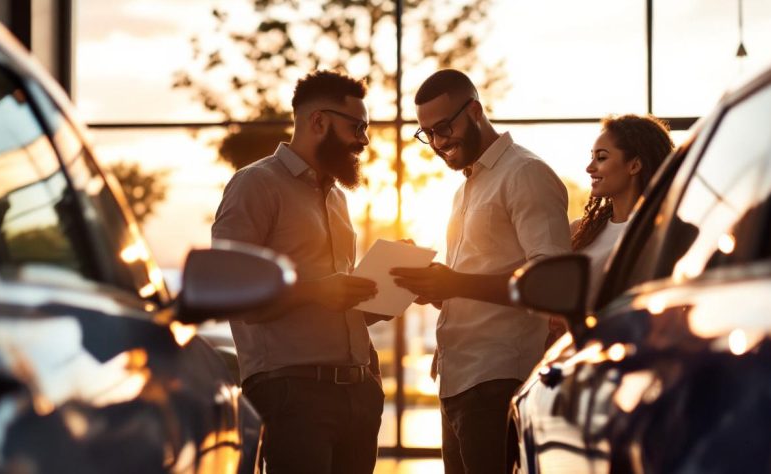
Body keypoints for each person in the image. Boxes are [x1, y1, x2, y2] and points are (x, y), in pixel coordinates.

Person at [390, 69, 571, 474]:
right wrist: (435, 287)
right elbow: (473, 282)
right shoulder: (465, 188)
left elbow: (552, 281)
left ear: (474, 110)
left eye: (443, 128)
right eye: (427, 134)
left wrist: (454, 282)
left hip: (498, 379)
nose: (437, 143)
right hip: (456, 378)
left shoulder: (525, 173)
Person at [211, 70, 385, 474]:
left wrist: (379, 295)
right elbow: (226, 288)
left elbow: (334, 299)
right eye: (356, 127)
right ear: (318, 121)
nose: (363, 139)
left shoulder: (338, 198)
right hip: (291, 393)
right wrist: (316, 292)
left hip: (359, 392)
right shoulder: (255, 185)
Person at [547, 113, 675, 344]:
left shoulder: (667, 235)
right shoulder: (579, 232)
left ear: (634, 165)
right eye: (592, 157)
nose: (589, 168)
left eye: (601, 158)